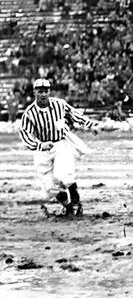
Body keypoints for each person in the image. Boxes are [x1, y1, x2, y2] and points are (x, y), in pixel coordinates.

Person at [18, 77, 97, 217]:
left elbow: (74, 114)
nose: (43, 94)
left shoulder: (59, 104)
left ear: (49, 92)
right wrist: (39, 145)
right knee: (50, 189)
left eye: (46, 91)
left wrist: (90, 125)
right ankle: (68, 207)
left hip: (60, 143)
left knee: (62, 176)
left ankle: (73, 189)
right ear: (35, 92)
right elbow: (25, 134)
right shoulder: (29, 114)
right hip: (42, 149)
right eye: (40, 91)